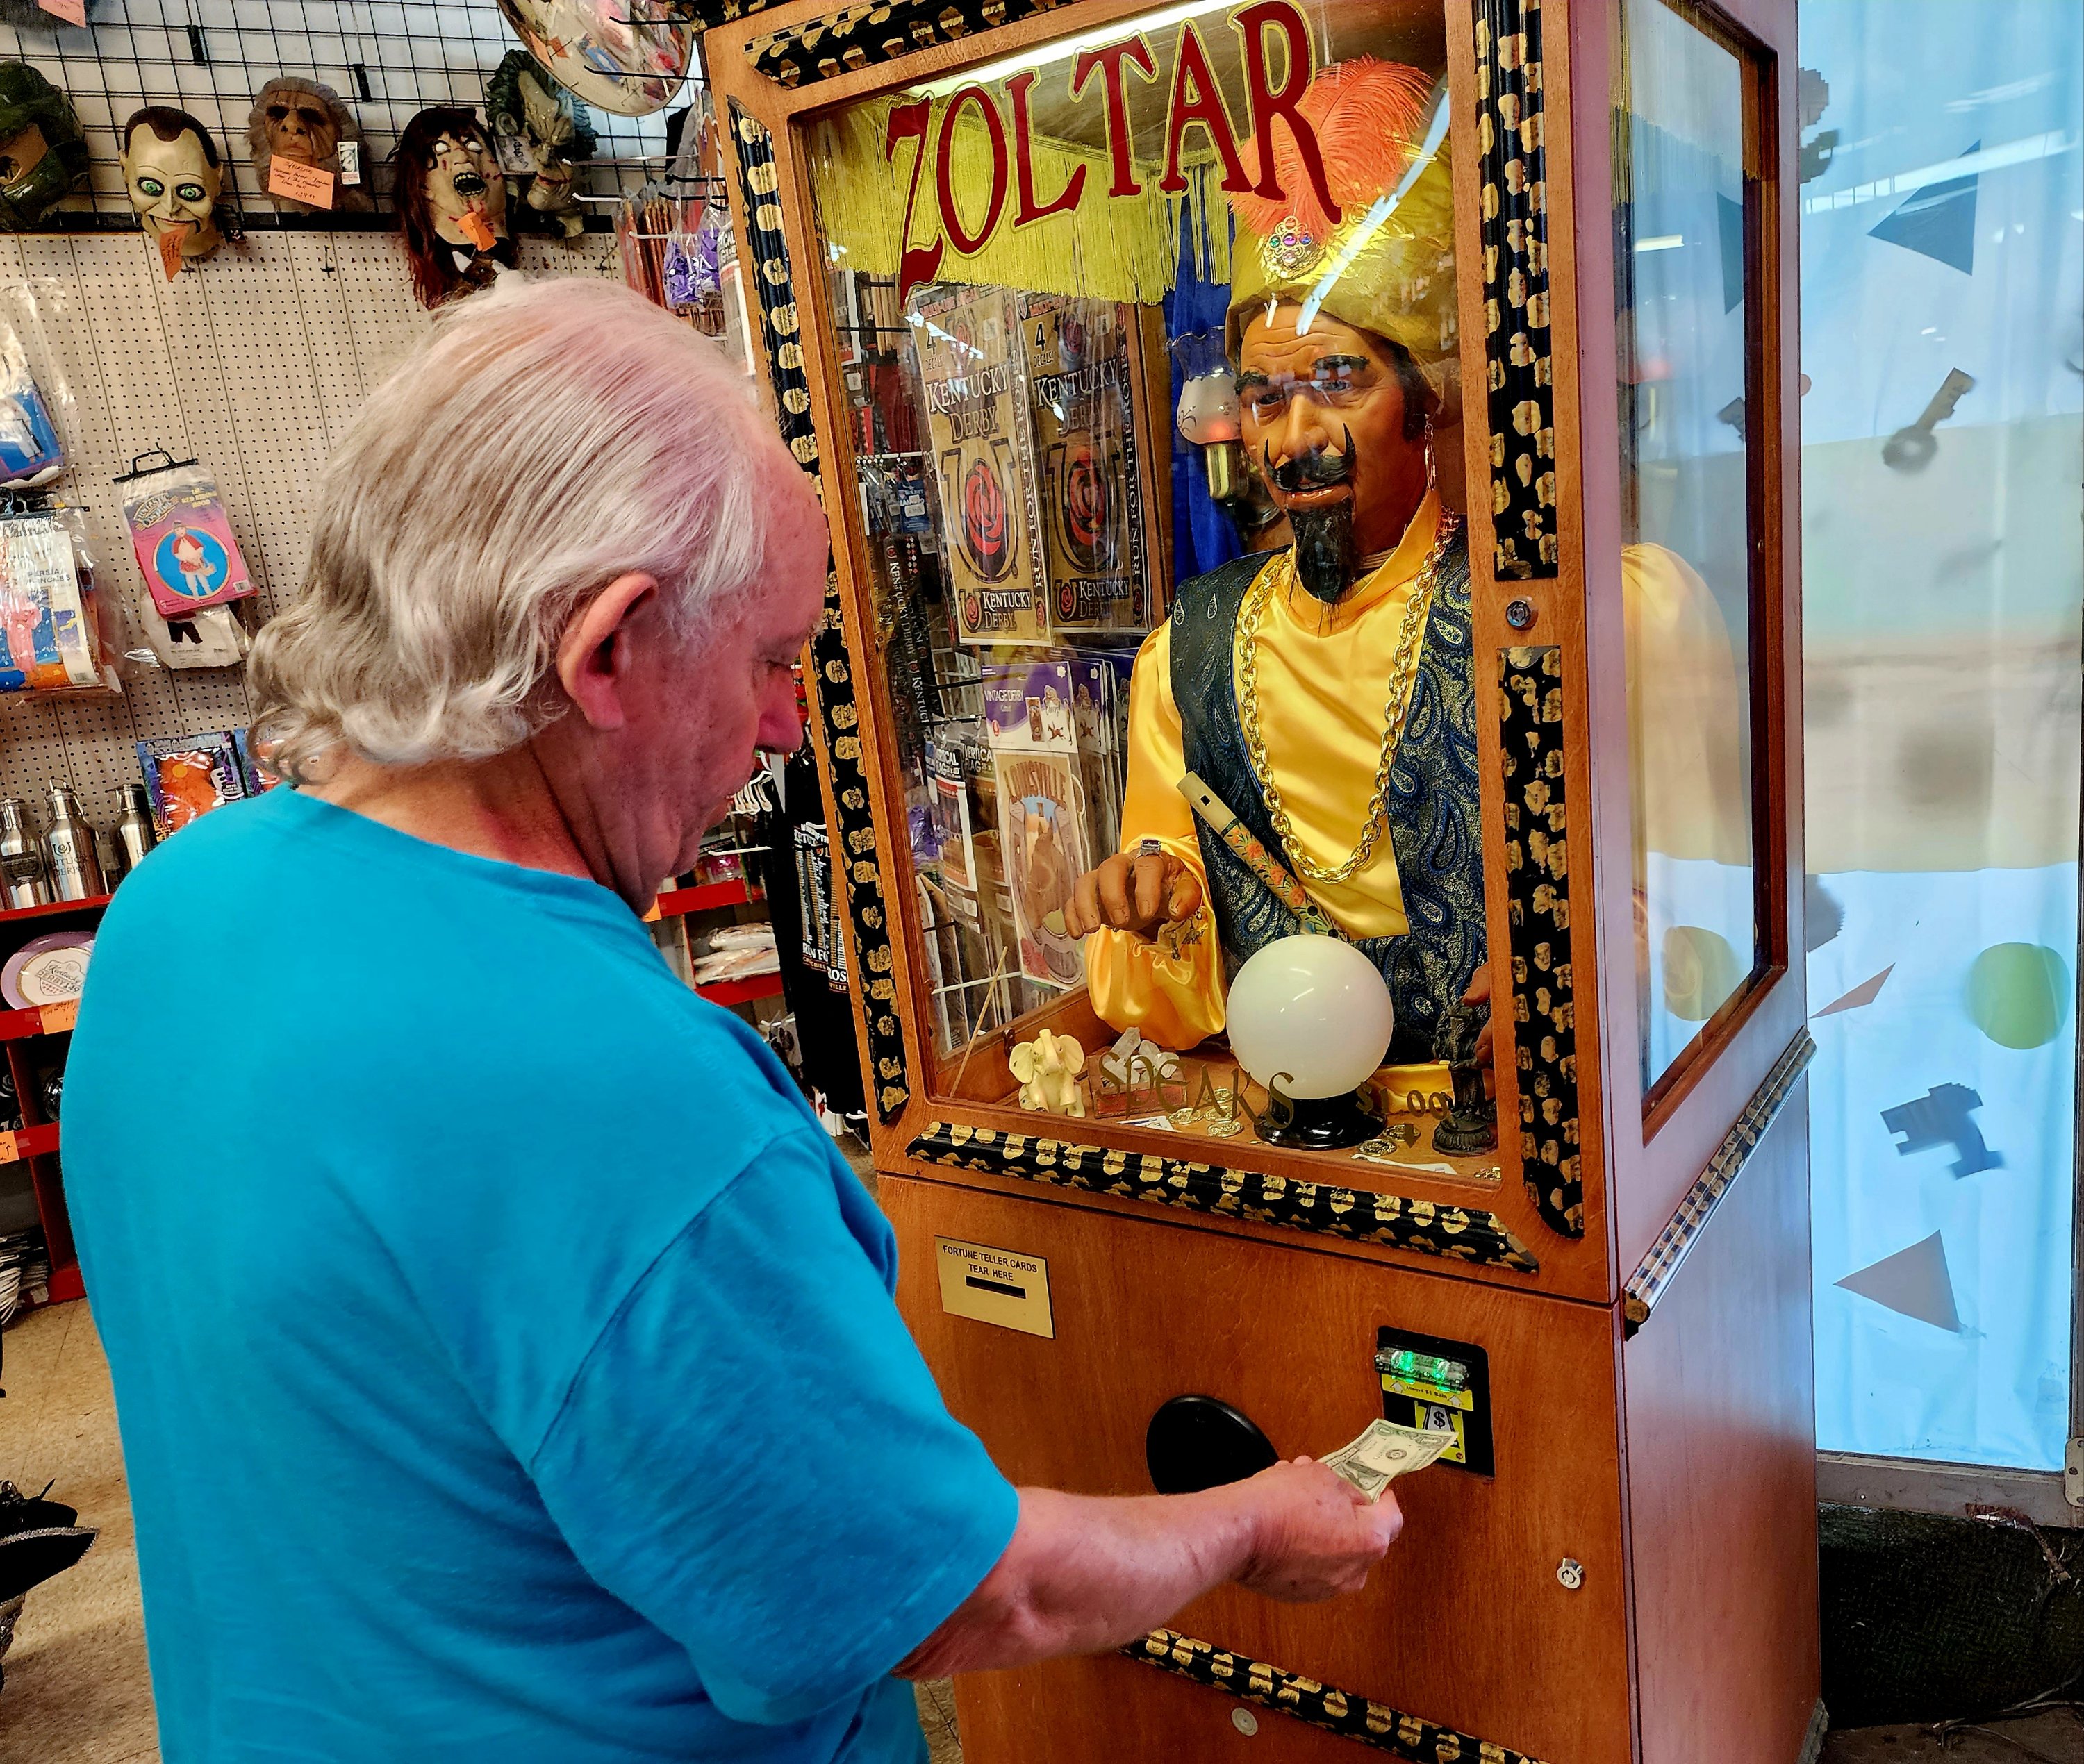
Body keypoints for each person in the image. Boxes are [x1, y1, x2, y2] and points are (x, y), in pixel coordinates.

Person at [63, 277, 1401, 1764]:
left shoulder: (174, 913)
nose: (784, 724)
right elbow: (945, 1594)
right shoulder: (616, 1096)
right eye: (771, 659)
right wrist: (1246, 1527)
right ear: (608, 652)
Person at [1066, 58, 1489, 1070]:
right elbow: (1156, 986)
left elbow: (1679, 897)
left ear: (1424, 394)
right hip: (1282, 1120)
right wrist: (1164, 904)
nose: (1295, 439)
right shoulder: (1191, 652)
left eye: (1338, 382)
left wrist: (1587, 958)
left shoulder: (1534, 612)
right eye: (1263, 399)